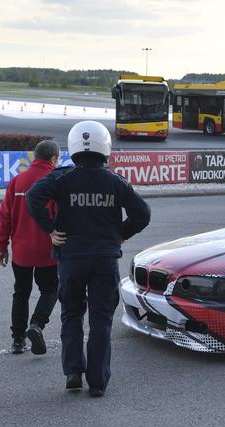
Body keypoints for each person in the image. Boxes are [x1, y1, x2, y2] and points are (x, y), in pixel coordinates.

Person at [27, 121, 150, 398]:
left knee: (71, 314)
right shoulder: (115, 182)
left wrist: (50, 229)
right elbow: (143, 214)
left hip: (71, 258)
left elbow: (34, 197)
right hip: (105, 259)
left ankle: (73, 373)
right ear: (104, 147)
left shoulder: (62, 177)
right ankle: (97, 383)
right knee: (101, 319)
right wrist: (121, 234)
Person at [0, 140, 60, 355]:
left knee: (21, 293)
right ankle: (37, 324)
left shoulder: (17, 181)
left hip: (21, 251)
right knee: (51, 289)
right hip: (48, 250)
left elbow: (5, 217)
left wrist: (2, 246)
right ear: (53, 159)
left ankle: (17, 340)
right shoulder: (56, 181)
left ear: (35, 157)